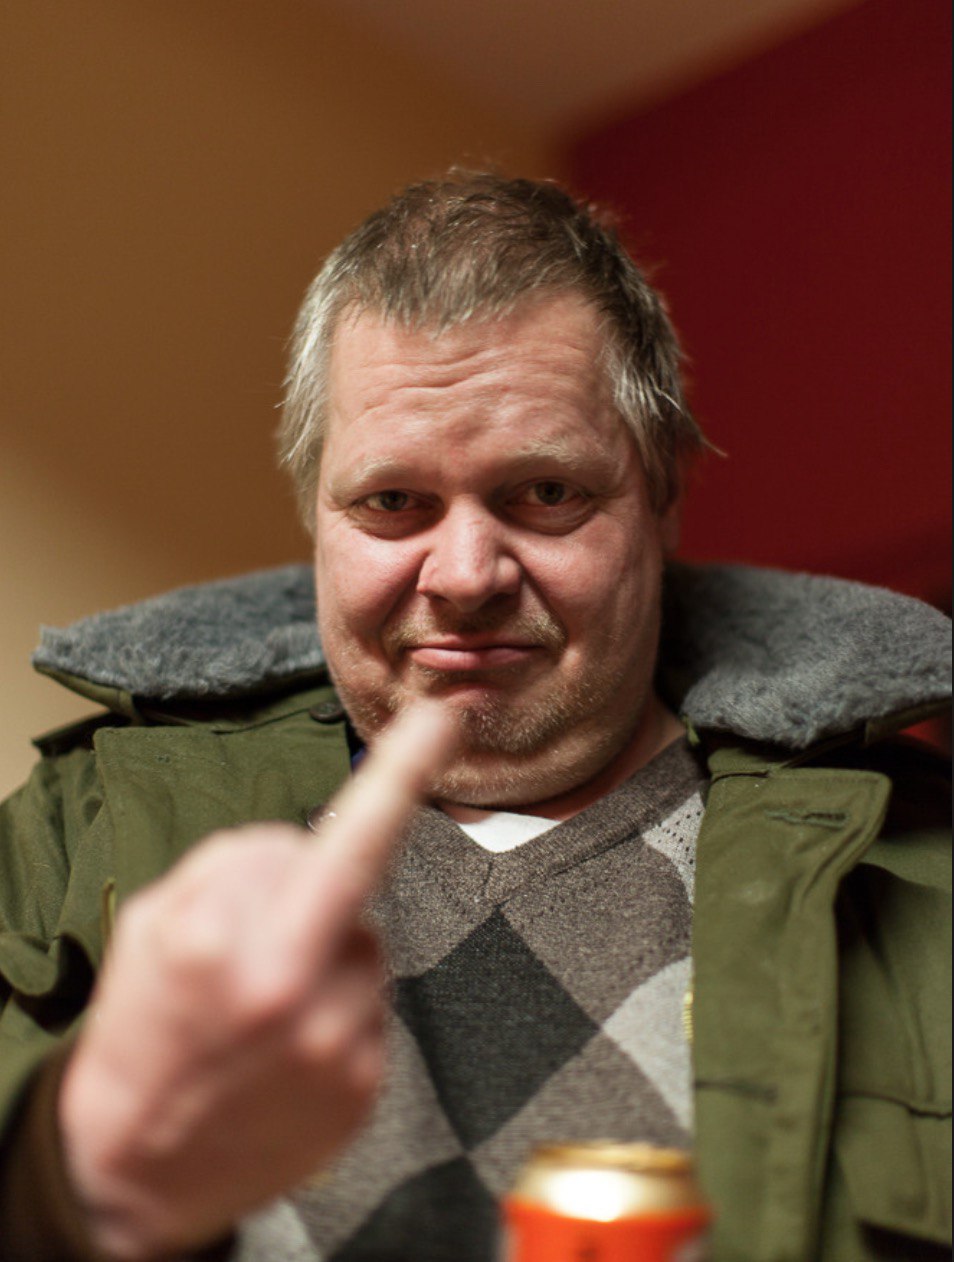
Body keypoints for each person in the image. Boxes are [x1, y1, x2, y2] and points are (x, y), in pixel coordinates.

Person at [0, 172, 950, 1262]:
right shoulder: (75, 830)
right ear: (315, 514)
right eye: (392, 501)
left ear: (662, 499)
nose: (463, 575)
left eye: (544, 493)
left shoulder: (917, 867)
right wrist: (77, 1173)